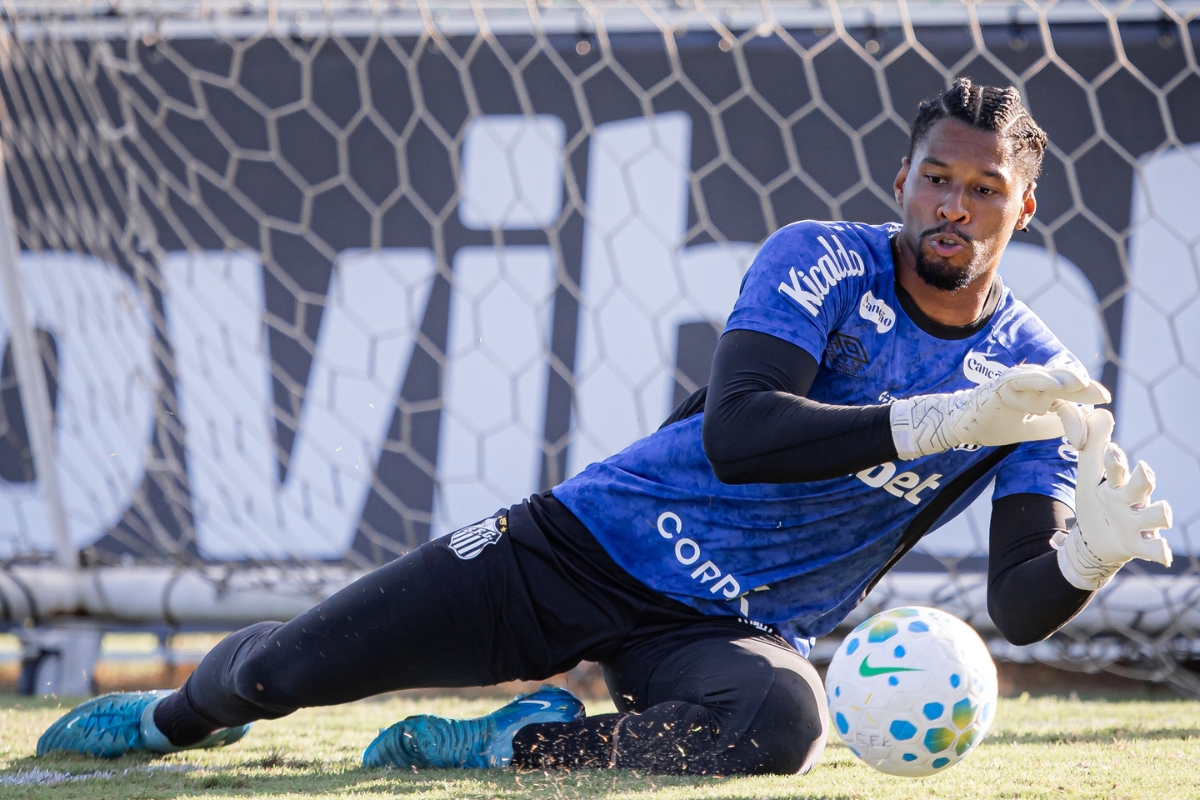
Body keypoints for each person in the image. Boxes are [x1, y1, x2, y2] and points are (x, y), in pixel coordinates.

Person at [37, 78, 1173, 776]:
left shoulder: (1037, 381)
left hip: (732, 628)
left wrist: (1086, 553)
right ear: (903, 178)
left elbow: (1023, 605)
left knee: (786, 724)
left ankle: (511, 743)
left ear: (1025, 207)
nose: (951, 210)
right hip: (578, 547)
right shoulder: (823, 258)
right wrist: (937, 417)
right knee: (280, 671)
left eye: (981, 192)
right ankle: (169, 718)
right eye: (936, 179)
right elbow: (741, 431)